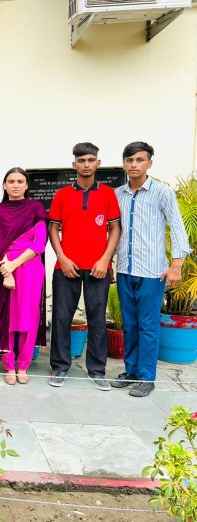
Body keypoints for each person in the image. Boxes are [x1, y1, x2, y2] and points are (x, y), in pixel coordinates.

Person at [110, 142, 191, 397]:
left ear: (149, 163)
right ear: (124, 163)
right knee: (130, 324)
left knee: (148, 325)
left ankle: (146, 377)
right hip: (125, 269)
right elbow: (113, 231)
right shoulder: (117, 194)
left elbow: (178, 228)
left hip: (152, 272)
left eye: (139, 160)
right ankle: (131, 371)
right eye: (129, 160)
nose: (134, 165)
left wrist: (176, 265)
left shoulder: (162, 193)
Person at [48, 142, 121, 390]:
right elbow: (53, 228)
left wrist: (105, 260)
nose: (86, 165)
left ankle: (97, 370)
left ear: (98, 163)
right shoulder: (62, 195)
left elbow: (114, 228)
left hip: (98, 267)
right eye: (82, 160)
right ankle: (59, 367)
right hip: (66, 266)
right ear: (74, 164)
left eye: (91, 160)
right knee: (61, 318)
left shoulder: (109, 194)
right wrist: (62, 257)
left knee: (97, 319)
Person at [0, 168, 48, 385]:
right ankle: (8, 365)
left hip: (29, 269)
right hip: (3, 269)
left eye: (19, 181)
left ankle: (23, 365)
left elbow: (39, 244)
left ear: (26, 185)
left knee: (28, 318)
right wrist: (7, 271)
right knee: (8, 318)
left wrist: (14, 265)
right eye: (10, 181)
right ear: (4, 185)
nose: (15, 185)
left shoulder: (35, 208)